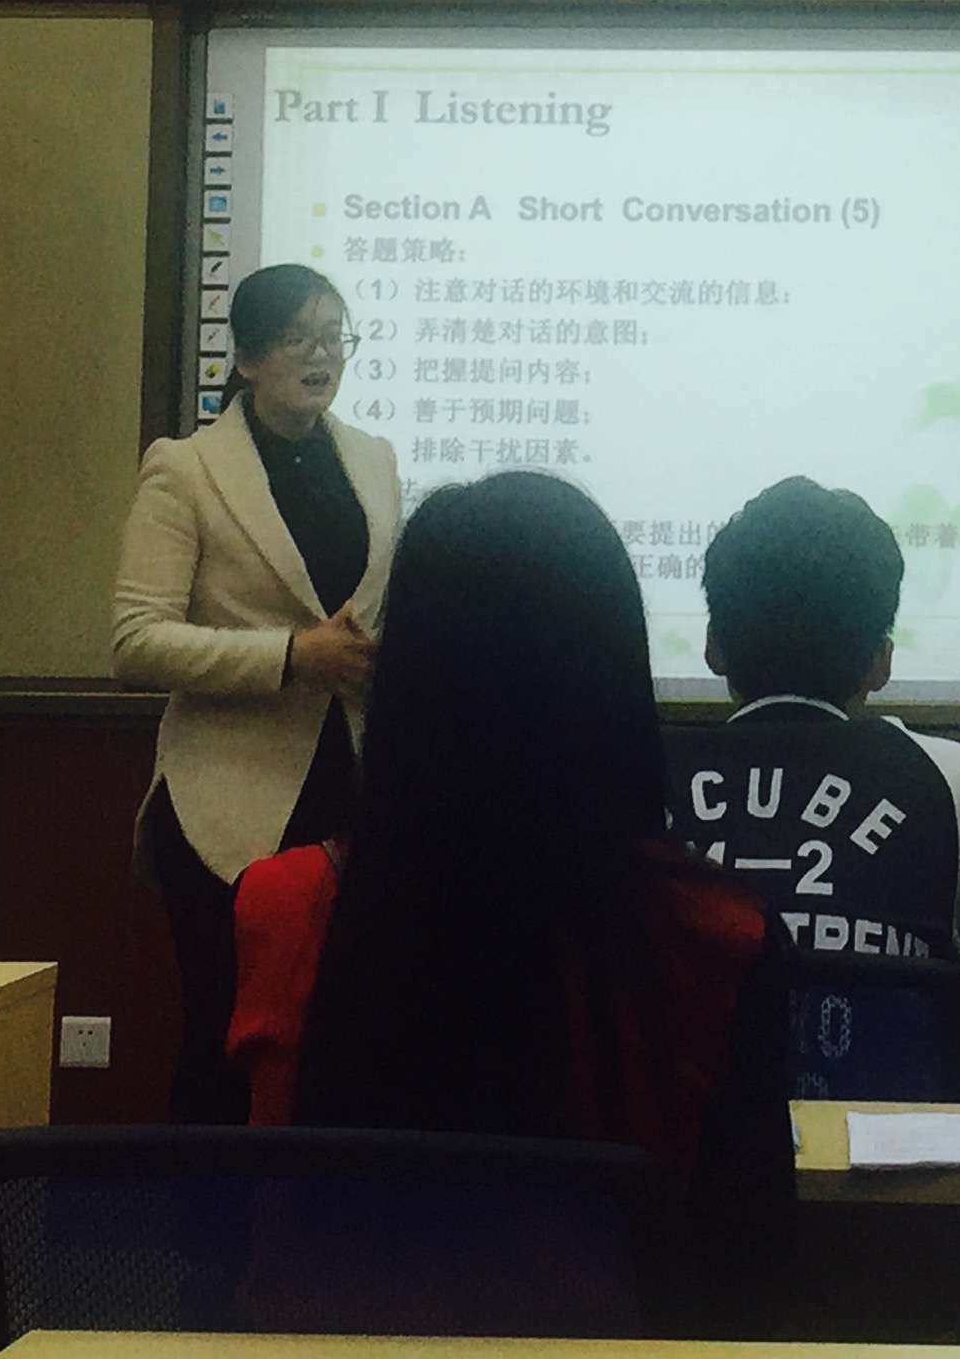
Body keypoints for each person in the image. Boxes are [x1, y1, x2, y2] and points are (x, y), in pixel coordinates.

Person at [227, 471, 794, 1300]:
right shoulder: (718, 936)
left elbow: (232, 1222)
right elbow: (752, 1275)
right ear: (615, 679)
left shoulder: (279, 905)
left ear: (402, 677)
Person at [112, 263, 397, 1122]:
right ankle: (203, 1213)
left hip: (351, 791)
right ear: (245, 357)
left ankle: (317, 1213)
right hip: (227, 811)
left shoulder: (374, 461)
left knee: (343, 1046)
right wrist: (290, 656)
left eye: (334, 337)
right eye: (297, 338)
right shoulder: (187, 470)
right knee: (225, 1041)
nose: (321, 355)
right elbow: (136, 641)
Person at [665, 476, 960, 1007]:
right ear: (882, 661)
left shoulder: (640, 777)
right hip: (882, 1066)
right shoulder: (955, 781)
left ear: (713, 648)